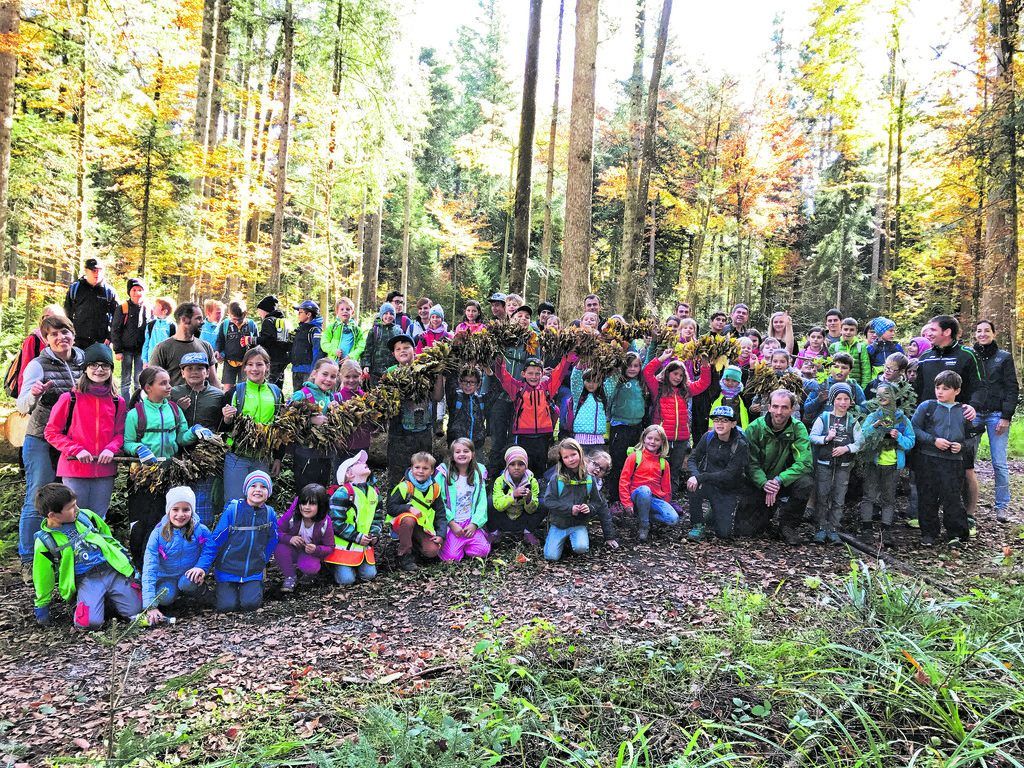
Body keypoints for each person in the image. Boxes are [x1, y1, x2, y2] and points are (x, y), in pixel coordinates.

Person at [15, 314, 85, 583]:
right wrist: (34, 393)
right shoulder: (37, 364)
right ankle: (28, 560)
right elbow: (22, 406)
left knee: (67, 500)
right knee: (38, 497)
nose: (60, 338)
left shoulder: (83, 360)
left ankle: (63, 553)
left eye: (65, 332)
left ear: (73, 334)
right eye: (54, 334)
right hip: (41, 439)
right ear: (46, 339)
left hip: (71, 442)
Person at [124, 365, 208, 566]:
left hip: (170, 474)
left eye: (169, 382)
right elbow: (126, 443)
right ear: (148, 387)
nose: (169, 387)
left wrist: (195, 432)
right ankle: (139, 565)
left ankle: (163, 564)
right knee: (142, 521)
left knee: (165, 520)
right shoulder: (135, 414)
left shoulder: (174, 409)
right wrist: (139, 449)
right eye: (163, 383)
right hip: (142, 477)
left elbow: (181, 438)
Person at [31, 483, 141, 629]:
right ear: (53, 515)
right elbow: (42, 576)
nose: (76, 509)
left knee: (136, 610)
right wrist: (42, 606)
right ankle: (89, 602)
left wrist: (122, 558)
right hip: (87, 579)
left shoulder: (86, 516)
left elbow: (107, 537)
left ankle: (108, 599)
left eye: (75, 504)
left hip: (111, 571)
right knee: (89, 623)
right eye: (71, 507)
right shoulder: (45, 542)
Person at [44, 343, 126, 521]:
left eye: (105, 365)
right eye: (93, 365)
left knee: (98, 519)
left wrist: (111, 449)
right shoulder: (69, 398)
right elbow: (51, 432)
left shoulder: (117, 401)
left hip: (104, 470)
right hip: (75, 469)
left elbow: (120, 434)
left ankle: (96, 549)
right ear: (85, 369)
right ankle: (73, 550)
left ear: (111, 369)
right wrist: (76, 449)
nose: (99, 369)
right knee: (74, 519)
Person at [912, 371, 984, 547]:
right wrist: (933, 440)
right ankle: (929, 533)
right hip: (928, 459)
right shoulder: (927, 407)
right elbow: (913, 428)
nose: (940, 392)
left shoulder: (964, 411)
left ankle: (956, 533)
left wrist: (961, 446)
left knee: (952, 497)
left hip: (953, 462)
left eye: (945, 388)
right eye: (938, 387)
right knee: (927, 496)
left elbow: (971, 437)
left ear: (957, 391)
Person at [195, 470, 279, 612]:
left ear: (268, 492)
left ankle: (252, 588)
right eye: (253, 486)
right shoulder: (233, 511)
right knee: (227, 606)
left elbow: (273, 538)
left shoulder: (269, 514)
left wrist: (262, 559)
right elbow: (214, 542)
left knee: (250, 605)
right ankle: (215, 592)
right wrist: (202, 567)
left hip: (252, 571)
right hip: (227, 569)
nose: (258, 490)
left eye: (263, 487)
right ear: (246, 490)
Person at [741, 389, 813, 544]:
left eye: (784, 407)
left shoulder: (797, 428)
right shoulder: (755, 428)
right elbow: (749, 462)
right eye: (775, 406)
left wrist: (779, 480)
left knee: (805, 483)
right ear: (769, 407)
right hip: (759, 481)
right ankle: (768, 511)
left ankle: (788, 525)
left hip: (784, 480)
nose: (779, 412)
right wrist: (764, 483)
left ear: (792, 409)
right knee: (745, 531)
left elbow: (805, 462)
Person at [643, 349, 712, 499]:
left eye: (681, 375)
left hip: (681, 438)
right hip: (662, 438)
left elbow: (704, 383)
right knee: (658, 468)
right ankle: (654, 498)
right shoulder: (658, 387)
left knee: (674, 470)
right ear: (667, 373)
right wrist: (662, 358)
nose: (678, 378)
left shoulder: (685, 390)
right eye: (675, 374)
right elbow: (647, 372)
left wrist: (705, 364)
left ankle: (670, 498)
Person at [220, 347, 283, 503]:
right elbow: (222, 428)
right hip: (237, 457)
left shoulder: (276, 393)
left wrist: (278, 458)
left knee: (258, 502)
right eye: (250, 364)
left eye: (259, 364)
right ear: (245, 367)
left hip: (262, 458)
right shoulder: (235, 392)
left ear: (267, 367)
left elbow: (280, 429)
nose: (254, 369)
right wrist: (227, 420)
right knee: (234, 503)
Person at [971, 320, 1018, 523]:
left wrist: (1006, 416)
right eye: (979, 331)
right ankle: (967, 506)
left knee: (999, 463)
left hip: (996, 414)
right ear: (975, 334)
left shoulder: (1004, 358)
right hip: (973, 413)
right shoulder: (970, 355)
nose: (983, 334)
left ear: (994, 333)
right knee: (967, 462)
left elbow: (1011, 388)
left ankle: (1002, 507)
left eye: (987, 331)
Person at [141, 486, 210, 624]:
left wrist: (202, 568)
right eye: (175, 509)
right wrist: (150, 606)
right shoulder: (158, 534)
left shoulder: (200, 530)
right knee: (164, 597)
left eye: (186, 509)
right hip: (167, 577)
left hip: (189, 575)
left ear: (192, 510)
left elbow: (210, 550)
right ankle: (175, 598)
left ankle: (201, 592)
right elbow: (150, 567)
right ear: (168, 510)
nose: (180, 514)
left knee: (188, 583)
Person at [169, 351, 223, 527]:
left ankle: (202, 541)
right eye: (189, 368)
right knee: (178, 502)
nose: (194, 372)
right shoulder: (173, 393)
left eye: (200, 368)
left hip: (207, 458)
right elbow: (164, 419)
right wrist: (178, 409)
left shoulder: (218, 395)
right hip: (178, 455)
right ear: (182, 372)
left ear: (207, 372)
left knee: (203, 502)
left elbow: (223, 426)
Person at [858, 383, 916, 545]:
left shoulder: (902, 419)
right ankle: (867, 529)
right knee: (869, 496)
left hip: (893, 466)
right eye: (879, 395)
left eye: (886, 394)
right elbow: (862, 436)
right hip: (873, 464)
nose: (882, 398)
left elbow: (911, 441)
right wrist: (874, 427)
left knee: (888, 498)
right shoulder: (873, 417)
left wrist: (898, 437)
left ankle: (886, 531)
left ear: (894, 396)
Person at [384, 334, 444, 490]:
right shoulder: (390, 373)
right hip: (399, 434)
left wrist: (438, 374)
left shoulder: (425, 369)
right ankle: (396, 507)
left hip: (423, 432)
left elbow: (437, 396)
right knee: (398, 473)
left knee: (423, 470)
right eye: (398, 349)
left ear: (414, 350)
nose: (402, 351)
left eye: (406, 348)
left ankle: (423, 504)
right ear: (393, 354)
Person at [495, 354, 571, 476]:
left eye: (537, 373)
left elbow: (560, 371)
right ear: (523, 374)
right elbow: (503, 376)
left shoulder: (548, 388)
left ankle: (540, 490)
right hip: (523, 436)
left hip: (543, 436)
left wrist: (568, 357)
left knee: (541, 466)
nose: (534, 377)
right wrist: (499, 361)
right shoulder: (518, 389)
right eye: (530, 373)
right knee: (523, 466)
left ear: (542, 374)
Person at [542, 438, 617, 560]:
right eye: (595, 464)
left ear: (580, 454)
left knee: (581, 548)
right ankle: (552, 537)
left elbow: (600, 506)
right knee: (551, 556)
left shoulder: (590, 480)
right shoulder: (557, 477)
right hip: (559, 522)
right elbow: (548, 501)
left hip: (578, 523)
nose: (571, 459)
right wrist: (569, 509)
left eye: (602, 469)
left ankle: (573, 540)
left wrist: (590, 508)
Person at [808, 383, 863, 544]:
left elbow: (860, 442)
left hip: (843, 466)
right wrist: (826, 438)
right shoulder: (823, 418)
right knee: (822, 495)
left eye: (846, 399)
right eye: (839, 398)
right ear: (833, 400)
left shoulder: (852, 421)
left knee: (839, 498)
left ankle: (833, 529)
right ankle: (820, 528)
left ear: (851, 401)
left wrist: (846, 448)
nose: (843, 402)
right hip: (824, 463)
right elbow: (812, 436)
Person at [686, 405, 750, 541]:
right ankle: (697, 524)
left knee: (723, 533)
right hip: (708, 484)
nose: (719, 424)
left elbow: (729, 474)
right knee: (692, 486)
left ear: (733, 424)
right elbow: (693, 458)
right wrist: (695, 475)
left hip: (727, 489)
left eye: (725, 420)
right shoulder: (708, 437)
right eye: (716, 420)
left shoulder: (740, 445)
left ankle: (713, 512)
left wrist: (701, 477)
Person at [327, 450, 383, 585]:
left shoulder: (374, 492)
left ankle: (353, 567)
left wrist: (375, 535)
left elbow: (377, 517)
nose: (363, 463)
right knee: (347, 580)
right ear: (349, 474)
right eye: (358, 463)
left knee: (369, 575)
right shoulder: (343, 493)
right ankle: (332, 567)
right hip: (343, 547)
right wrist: (357, 536)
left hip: (364, 547)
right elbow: (335, 522)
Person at [386, 451, 445, 572]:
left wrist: (441, 534)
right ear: (411, 468)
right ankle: (404, 555)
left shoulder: (435, 489)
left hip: (422, 525)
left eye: (425, 468)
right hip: (401, 523)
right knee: (409, 519)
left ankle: (415, 549)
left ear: (432, 471)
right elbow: (390, 507)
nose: (420, 471)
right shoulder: (404, 487)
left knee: (432, 551)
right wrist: (408, 508)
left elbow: (441, 514)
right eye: (417, 467)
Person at [290, 357, 342, 490]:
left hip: (325, 455)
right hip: (305, 454)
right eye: (325, 374)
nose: (328, 379)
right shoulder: (302, 395)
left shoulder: (330, 397)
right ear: (314, 374)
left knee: (321, 490)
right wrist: (310, 420)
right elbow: (287, 420)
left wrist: (334, 413)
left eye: (333, 376)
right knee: (306, 492)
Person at [618, 425, 676, 543]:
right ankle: (644, 525)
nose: (652, 442)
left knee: (672, 519)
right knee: (645, 490)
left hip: (654, 498)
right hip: (637, 495)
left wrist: (664, 506)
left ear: (662, 442)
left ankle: (643, 515)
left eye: (657, 439)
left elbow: (666, 488)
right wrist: (627, 503)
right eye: (650, 438)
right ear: (644, 438)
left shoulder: (663, 463)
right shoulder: (635, 457)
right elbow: (624, 481)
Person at [437, 438, 491, 562]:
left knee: (483, 551)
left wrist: (475, 523)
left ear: (472, 454)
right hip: (453, 524)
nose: (462, 454)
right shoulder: (444, 475)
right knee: (451, 557)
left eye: (466, 451)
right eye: (458, 452)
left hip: (469, 521)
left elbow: (481, 502)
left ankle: (467, 544)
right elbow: (439, 502)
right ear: (452, 456)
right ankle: (454, 546)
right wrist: (451, 523)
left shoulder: (478, 473)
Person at [275, 483, 334, 593]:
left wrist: (316, 549)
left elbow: (330, 547)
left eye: (312, 504)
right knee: (280, 548)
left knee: (310, 567)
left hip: (310, 553)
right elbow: (276, 530)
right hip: (293, 549)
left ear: (321, 505)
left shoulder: (325, 522)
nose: (306, 507)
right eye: (303, 502)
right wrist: (289, 539)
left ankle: (309, 574)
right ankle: (290, 576)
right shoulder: (292, 516)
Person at [604, 352, 649, 500]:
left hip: (637, 427)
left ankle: (630, 494)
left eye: (636, 366)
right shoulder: (618, 380)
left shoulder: (642, 382)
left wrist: (654, 342)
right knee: (618, 462)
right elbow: (608, 383)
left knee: (634, 462)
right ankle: (615, 497)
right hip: (620, 426)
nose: (632, 369)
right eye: (629, 365)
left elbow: (649, 362)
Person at [149, 302, 221, 388]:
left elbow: (213, 381)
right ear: (184, 320)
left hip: (202, 400)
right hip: (173, 400)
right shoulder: (162, 349)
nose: (203, 322)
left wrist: (221, 398)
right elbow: (153, 382)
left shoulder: (206, 346)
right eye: (198, 318)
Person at [5, 304, 65, 399]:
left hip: (58, 393)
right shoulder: (34, 339)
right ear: (41, 320)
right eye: (46, 317)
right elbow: (24, 370)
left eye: (55, 317)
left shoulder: (65, 339)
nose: (50, 320)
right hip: (37, 394)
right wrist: (23, 399)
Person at [490, 446, 543, 546]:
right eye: (512, 464)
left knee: (543, 503)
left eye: (521, 464)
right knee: (489, 502)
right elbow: (498, 506)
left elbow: (532, 510)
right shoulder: (500, 481)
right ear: (507, 466)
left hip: (522, 518)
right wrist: (512, 495)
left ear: (526, 466)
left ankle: (528, 532)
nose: (516, 467)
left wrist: (528, 499)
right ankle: (495, 532)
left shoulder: (532, 482)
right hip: (504, 517)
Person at [63, 258, 118, 350]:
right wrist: (68, 335)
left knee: (99, 364)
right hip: (77, 340)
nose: (97, 274)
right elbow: (66, 314)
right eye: (94, 270)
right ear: (86, 271)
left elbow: (117, 317)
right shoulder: (75, 289)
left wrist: (110, 337)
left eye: (99, 271)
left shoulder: (109, 292)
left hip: (101, 341)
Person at [111, 278, 151, 399]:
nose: (137, 293)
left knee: (139, 380)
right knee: (126, 380)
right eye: (134, 290)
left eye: (140, 290)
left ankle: (137, 404)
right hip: (126, 349)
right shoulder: (123, 308)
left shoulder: (148, 309)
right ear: (129, 292)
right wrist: (117, 350)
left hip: (141, 350)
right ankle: (126, 405)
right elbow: (115, 329)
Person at [215, 300, 261, 388]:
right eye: (234, 319)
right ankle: (228, 401)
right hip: (229, 361)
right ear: (229, 314)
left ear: (245, 314)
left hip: (246, 362)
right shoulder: (225, 325)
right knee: (227, 388)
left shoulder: (251, 325)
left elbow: (257, 343)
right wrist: (217, 351)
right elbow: (220, 340)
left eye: (240, 319)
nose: (237, 322)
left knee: (243, 387)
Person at [445, 366, 488, 454]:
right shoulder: (455, 397)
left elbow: (497, 389)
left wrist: (490, 373)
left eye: (472, 382)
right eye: (465, 381)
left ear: (478, 384)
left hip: (476, 448)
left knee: (477, 467)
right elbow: (450, 379)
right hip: (456, 447)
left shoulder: (481, 400)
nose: (468, 385)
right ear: (460, 382)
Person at [361, 302, 403, 387]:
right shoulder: (375, 330)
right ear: (381, 315)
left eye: (391, 313)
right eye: (386, 313)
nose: (388, 316)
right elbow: (368, 349)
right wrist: (366, 365)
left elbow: (401, 348)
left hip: (393, 369)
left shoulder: (398, 331)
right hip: (375, 371)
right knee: (376, 395)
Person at [570, 366, 609, 454]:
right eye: (588, 381)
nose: (591, 384)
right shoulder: (579, 396)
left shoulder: (603, 396)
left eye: (595, 381)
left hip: (598, 441)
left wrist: (613, 365)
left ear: (600, 383)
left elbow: (612, 381)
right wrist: (580, 364)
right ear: (583, 381)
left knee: (597, 466)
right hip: (580, 441)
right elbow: (575, 379)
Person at [255, 295, 291, 388]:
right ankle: (279, 401)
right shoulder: (281, 320)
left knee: (270, 384)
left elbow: (267, 340)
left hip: (273, 358)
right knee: (279, 384)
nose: (259, 314)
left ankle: (271, 401)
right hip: (283, 358)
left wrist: (253, 340)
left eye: (259, 311)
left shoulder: (268, 321)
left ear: (264, 310)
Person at [829, 318, 872, 389]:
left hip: (855, 386)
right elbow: (830, 368)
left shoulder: (861, 347)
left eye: (851, 330)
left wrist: (863, 388)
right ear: (841, 330)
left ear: (856, 332)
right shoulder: (834, 346)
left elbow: (866, 369)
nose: (848, 332)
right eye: (845, 329)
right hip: (837, 386)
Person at [291, 300, 324, 392]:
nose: (298, 315)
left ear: (308, 314)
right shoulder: (300, 329)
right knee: (297, 397)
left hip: (308, 371)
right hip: (296, 369)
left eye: (300, 312)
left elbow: (318, 351)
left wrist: (314, 370)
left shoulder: (315, 330)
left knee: (309, 397)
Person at [320, 297, 365, 363]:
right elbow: (324, 343)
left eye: (348, 309)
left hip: (349, 364)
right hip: (333, 363)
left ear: (352, 312)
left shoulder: (357, 330)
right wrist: (334, 351)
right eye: (342, 309)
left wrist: (351, 356)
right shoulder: (332, 327)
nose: (345, 311)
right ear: (337, 312)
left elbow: (361, 346)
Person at [709, 365, 749, 430]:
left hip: (738, 429)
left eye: (734, 381)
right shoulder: (717, 393)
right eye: (727, 380)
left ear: (739, 382)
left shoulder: (742, 395)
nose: (730, 383)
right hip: (720, 428)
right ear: (723, 379)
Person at [141, 299, 177, 368]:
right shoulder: (150, 325)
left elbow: (175, 345)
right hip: (151, 360)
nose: (153, 307)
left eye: (156, 306)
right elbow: (146, 343)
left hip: (166, 362)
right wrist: (145, 361)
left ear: (164, 311)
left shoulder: (172, 326)